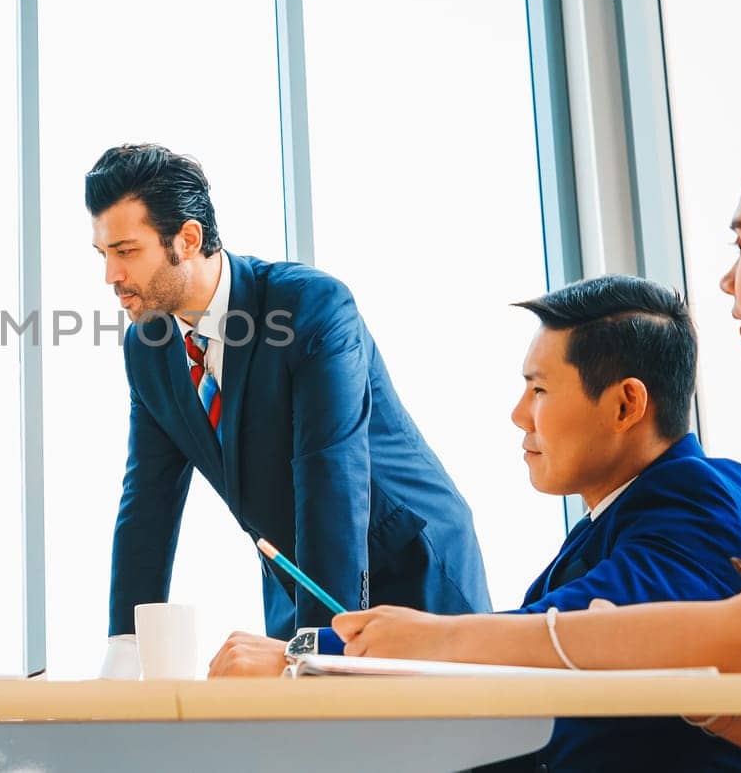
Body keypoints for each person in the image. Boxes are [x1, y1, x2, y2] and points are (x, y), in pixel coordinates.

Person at [330, 111, 741, 772]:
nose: (727, 281)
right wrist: (697, 696)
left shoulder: (697, 497)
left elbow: (736, 633)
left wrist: (431, 637)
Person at [212, 275, 741, 771]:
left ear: (625, 404)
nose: (519, 414)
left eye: (539, 389)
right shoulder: (611, 520)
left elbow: (581, 635)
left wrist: (304, 660)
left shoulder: (703, 495)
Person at [87, 144, 489, 678]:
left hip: (408, 575)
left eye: (126, 251)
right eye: (103, 255)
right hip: (297, 581)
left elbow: (332, 478)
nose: (111, 274)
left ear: (187, 239)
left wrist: (315, 649)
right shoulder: (150, 345)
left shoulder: (309, 306)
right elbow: (148, 500)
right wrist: (124, 646)